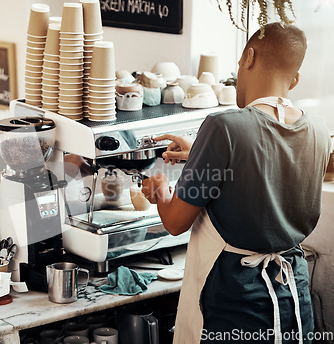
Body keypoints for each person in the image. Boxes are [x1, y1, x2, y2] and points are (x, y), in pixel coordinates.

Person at [141, 23, 331, 343]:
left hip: (234, 299)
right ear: (295, 79)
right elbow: (268, 163)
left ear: (248, 57)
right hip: (293, 294)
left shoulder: (222, 126)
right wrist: (199, 153)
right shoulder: (318, 130)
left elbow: (175, 222)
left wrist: (160, 190)